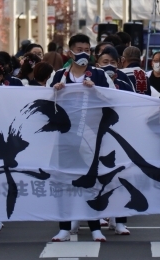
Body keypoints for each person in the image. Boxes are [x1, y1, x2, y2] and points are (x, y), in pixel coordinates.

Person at [47, 34, 114, 243]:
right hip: (64, 137)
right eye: (78, 48)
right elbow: (44, 103)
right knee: (64, 181)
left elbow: (114, 99)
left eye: (86, 48)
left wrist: (96, 90)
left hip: (90, 136)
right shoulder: (58, 75)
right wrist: (55, 92)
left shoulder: (100, 75)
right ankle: (64, 227)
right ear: (70, 51)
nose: (83, 52)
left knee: (90, 182)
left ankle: (95, 227)